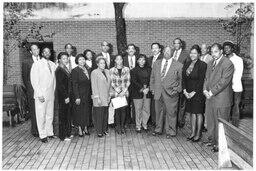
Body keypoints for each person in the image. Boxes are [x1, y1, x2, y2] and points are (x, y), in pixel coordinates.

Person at [203, 43, 234, 152]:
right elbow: (206, 78)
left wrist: (211, 92)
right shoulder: (210, 62)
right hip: (210, 97)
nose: (213, 54)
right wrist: (205, 90)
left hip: (221, 99)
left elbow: (224, 82)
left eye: (215, 51)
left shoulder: (228, 63)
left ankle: (220, 144)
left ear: (221, 51)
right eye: (211, 52)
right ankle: (212, 140)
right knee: (211, 121)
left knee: (220, 123)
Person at [150, 46, 183, 139]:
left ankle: (171, 131)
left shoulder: (179, 65)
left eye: (169, 51)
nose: (167, 52)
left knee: (171, 112)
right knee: (158, 112)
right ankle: (158, 129)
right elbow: (152, 77)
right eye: (165, 51)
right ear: (163, 52)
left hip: (171, 93)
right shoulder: (156, 63)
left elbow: (181, 80)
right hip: (158, 92)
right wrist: (152, 88)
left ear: (172, 52)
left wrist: (177, 89)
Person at [30, 47, 57, 143]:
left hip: (50, 93)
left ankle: (49, 132)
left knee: (49, 114)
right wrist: (39, 94)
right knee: (41, 115)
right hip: (41, 94)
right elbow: (34, 81)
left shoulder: (52, 64)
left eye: (48, 52)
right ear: (42, 53)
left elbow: (54, 80)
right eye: (45, 51)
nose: (47, 53)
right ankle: (42, 135)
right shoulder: (37, 64)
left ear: (50, 54)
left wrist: (53, 92)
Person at [182, 45, 207, 142]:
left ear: (199, 54)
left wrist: (194, 92)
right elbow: (183, 78)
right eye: (191, 53)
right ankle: (192, 133)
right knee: (192, 113)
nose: (192, 55)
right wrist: (184, 90)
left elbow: (201, 81)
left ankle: (198, 134)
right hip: (188, 92)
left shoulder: (203, 65)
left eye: (195, 53)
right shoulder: (187, 63)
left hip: (198, 93)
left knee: (198, 113)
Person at [223, 41, 244, 127]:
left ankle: (235, 127)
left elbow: (238, 75)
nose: (226, 50)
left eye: (228, 48)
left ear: (232, 49)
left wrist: (230, 84)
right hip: (225, 87)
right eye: (224, 48)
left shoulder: (238, 60)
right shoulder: (223, 59)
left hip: (235, 87)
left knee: (235, 107)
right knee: (226, 107)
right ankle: (226, 126)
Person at [71, 54, 92, 137]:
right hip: (79, 95)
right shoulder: (75, 70)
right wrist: (77, 97)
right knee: (79, 112)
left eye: (83, 59)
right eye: (80, 59)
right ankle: (80, 129)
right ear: (77, 61)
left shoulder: (88, 69)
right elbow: (74, 85)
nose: (82, 61)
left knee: (86, 111)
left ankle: (86, 128)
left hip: (87, 94)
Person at [21, 44, 40, 137]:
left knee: (42, 110)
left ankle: (42, 129)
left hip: (43, 90)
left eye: (37, 49)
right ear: (31, 51)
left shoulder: (43, 61)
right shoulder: (26, 62)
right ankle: (35, 130)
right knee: (34, 110)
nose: (36, 50)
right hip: (32, 90)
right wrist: (30, 89)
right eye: (34, 49)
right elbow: (25, 78)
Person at [109, 55, 130, 134]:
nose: (119, 60)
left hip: (124, 93)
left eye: (120, 59)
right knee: (117, 111)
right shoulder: (111, 70)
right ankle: (118, 127)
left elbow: (128, 81)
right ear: (115, 60)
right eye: (117, 59)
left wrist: (123, 92)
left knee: (124, 110)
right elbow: (112, 82)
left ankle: (122, 126)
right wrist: (118, 92)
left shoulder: (126, 69)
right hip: (116, 93)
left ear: (122, 60)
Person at [171, 38, 190, 128]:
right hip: (171, 83)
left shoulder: (186, 54)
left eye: (177, 43)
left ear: (181, 44)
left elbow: (187, 69)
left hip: (181, 82)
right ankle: (173, 121)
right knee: (173, 103)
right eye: (174, 43)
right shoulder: (171, 53)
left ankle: (180, 121)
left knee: (182, 104)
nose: (176, 45)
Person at [131, 54, 152, 133]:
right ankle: (138, 126)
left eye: (143, 59)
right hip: (138, 93)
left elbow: (151, 80)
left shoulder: (149, 69)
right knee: (138, 110)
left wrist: (148, 88)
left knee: (146, 109)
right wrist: (142, 89)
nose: (142, 61)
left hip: (147, 92)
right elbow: (134, 81)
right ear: (137, 61)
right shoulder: (133, 70)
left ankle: (145, 124)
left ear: (145, 61)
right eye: (140, 59)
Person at [91, 56, 111, 137]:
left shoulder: (107, 71)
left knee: (105, 114)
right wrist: (97, 97)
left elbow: (110, 84)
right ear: (97, 64)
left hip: (106, 96)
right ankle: (99, 131)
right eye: (101, 63)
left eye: (104, 63)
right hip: (99, 97)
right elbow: (94, 85)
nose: (103, 64)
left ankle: (104, 129)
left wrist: (110, 95)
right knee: (99, 115)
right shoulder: (94, 72)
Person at [55, 52, 72, 141]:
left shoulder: (65, 68)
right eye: (64, 58)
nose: (66, 60)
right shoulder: (59, 70)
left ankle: (68, 133)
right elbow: (60, 85)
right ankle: (62, 136)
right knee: (63, 116)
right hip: (63, 97)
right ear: (59, 60)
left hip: (67, 95)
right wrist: (66, 96)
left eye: (67, 58)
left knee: (67, 115)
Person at [147, 42, 164, 126]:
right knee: (152, 104)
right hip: (151, 84)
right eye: (152, 48)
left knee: (159, 105)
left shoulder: (163, 58)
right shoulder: (149, 59)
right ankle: (154, 121)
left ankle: (159, 122)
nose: (154, 50)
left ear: (160, 49)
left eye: (156, 48)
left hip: (160, 86)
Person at [123, 44, 138, 125]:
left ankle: (136, 120)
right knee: (126, 103)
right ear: (127, 51)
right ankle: (127, 120)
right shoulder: (123, 59)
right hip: (126, 85)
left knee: (136, 103)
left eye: (132, 48)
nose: (131, 50)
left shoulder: (139, 59)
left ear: (135, 50)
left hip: (136, 85)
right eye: (129, 48)